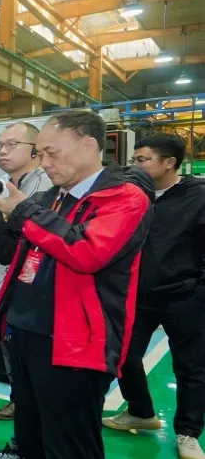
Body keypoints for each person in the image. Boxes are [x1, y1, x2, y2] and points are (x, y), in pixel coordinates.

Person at [0, 110, 152, 459]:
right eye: (40, 153)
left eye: (52, 152)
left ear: (88, 145)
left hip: (73, 343)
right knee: (31, 435)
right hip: (25, 332)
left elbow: (86, 251)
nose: (45, 162)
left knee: (69, 444)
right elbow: (8, 252)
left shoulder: (124, 198)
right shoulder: (47, 199)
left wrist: (23, 210)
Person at [104, 134, 205, 459]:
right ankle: (140, 412)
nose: (135, 165)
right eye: (134, 159)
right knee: (124, 356)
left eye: (142, 159)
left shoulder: (198, 196)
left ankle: (188, 433)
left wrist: (198, 292)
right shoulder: (133, 194)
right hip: (137, 296)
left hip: (183, 297)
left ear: (169, 162)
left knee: (190, 368)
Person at [0, 123, 53, 459]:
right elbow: (3, 252)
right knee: (20, 379)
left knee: (39, 388)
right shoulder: (8, 187)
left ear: (35, 150)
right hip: (8, 298)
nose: (2, 150)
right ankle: (21, 446)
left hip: (33, 305)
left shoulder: (46, 191)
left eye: (11, 144)